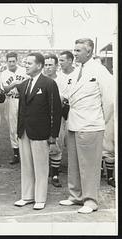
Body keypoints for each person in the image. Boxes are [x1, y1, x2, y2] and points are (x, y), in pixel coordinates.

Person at [59, 38, 114, 214]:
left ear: (89, 51)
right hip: (74, 122)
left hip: (92, 124)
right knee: (74, 162)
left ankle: (91, 200)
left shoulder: (100, 70)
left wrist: (100, 120)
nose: (74, 54)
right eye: (74, 50)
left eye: (78, 51)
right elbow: (68, 95)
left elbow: (109, 101)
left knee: (89, 165)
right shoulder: (76, 72)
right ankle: (75, 196)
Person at [15, 52, 62, 210]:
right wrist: (19, 130)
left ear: (39, 66)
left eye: (29, 63)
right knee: (26, 165)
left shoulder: (49, 83)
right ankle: (27, 196)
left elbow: (56, 111)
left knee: (41, 167)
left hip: (41, 132)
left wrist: (53, 136)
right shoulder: (25, 84)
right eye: (25, 63)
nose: (26, 65)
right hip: (24, 131)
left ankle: (40, 198)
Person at [43, 53, 67, 188]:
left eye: (50, 65)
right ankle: (45, 171)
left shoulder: (62, 80)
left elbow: (62, 100)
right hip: (42, 118)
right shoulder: (39, 80)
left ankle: (55, 174)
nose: (48, 68)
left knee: (57, 145)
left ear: (56, 66)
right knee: (41, 145)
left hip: (57, 116)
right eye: (45, 65)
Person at [0, 52, 27, 165]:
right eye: (9, 61)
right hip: (10, 99)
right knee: (13, 127)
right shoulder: (4, 73)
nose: (11, 63)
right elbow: (5, 89)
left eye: (13, 61)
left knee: (24, 125)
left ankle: (25, 152)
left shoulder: (24, 71)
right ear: (7, 62)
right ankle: (16, 153)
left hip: (23, 100)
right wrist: (14, 84)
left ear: (17, 61)